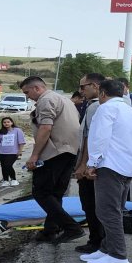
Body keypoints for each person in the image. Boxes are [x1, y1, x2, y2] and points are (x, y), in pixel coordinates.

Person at [79, 79, 132, 263]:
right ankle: (106, 248)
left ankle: (118, 255)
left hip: (110, 165)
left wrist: (92, 163)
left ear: (102, 93)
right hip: (128, 165)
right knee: (115, 209)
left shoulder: (106, 109)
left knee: (107, 212)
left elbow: (99, 137)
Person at [19, 76, 81, 243]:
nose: (28, 97)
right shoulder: (66, 101)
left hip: (54, 152)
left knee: (41, 192)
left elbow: (46, 128)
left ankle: (71, 227)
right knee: (56, 193)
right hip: (70, 151)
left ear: (37, 88)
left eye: (27, 92)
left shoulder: (46, 100)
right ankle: (50, 230)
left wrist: (35, 155)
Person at [72, 73, 106, 254]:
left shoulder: (96, 107)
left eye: (83, 87)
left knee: (90, 204)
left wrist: (83, 164)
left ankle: (96, 241)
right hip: (100, 163)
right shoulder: (95, 105)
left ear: (95, 86)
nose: (80, 91)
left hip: (92, 164)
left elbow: (89, 138)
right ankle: (101, 240)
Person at [0, 116, 25, 187]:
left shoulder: (17, 130)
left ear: (12, 122)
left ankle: (14, 179)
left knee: (8, 165)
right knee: (3, 166)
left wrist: (20, 151)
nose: (6, 123)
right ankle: (5, 180)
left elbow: (21, 141)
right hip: (2, 152)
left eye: (8, 122)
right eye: (4, 122)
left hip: (13, 152)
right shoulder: (1, 132)